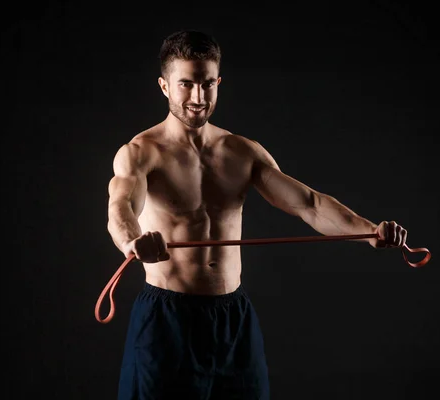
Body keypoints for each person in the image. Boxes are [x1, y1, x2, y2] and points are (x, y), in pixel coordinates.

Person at [107, 29, 408, 400]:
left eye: (207, 84)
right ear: (165, 86)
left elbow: (309, 205)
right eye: (186, 84)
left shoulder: (242, 152)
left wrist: (370, 231)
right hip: (168, 316)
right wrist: (131, 240)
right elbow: (120, 207)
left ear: (218, 82)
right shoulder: (140, 152)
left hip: (232, 315)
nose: (198, 97)